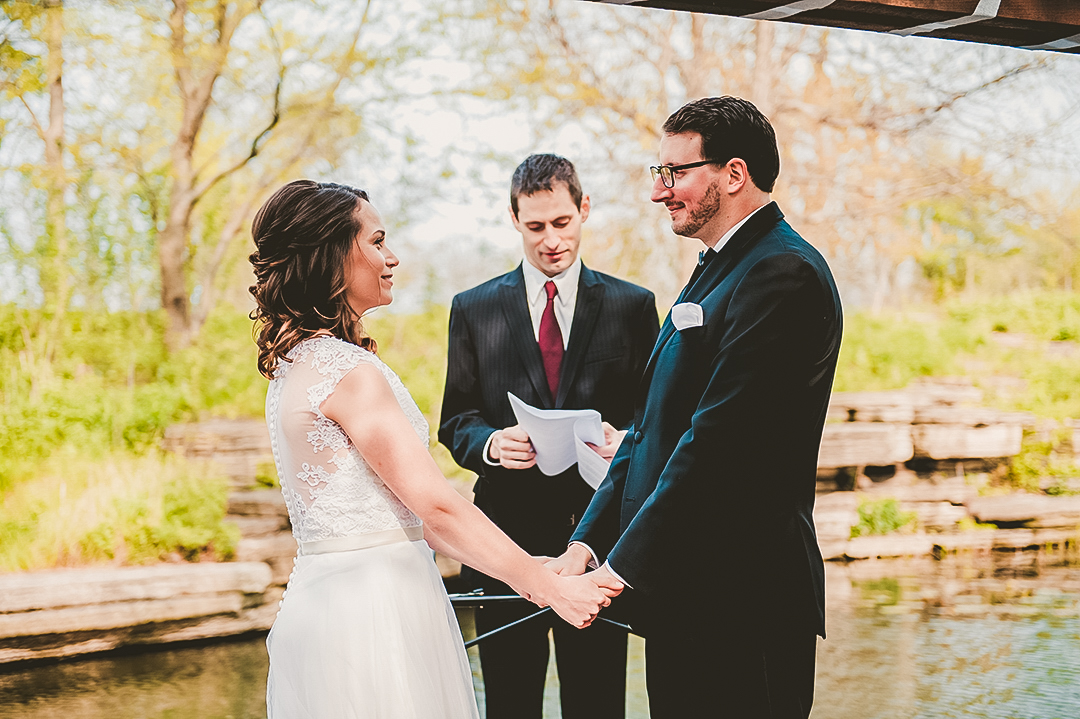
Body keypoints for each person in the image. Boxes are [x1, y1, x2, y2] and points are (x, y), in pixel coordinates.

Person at [248, 179, 622, 719]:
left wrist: (522, 564)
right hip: (375, 615)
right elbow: (436, 508)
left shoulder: (295, 365)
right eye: (376, 242)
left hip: (324, 603)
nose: (391, 257)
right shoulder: (349, 373)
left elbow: (403, 516)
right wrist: (544, 586)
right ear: (332, 258)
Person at [548, 96, 844, 717]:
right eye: (661, 174)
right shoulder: (715, 267)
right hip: (685, 596)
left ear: (734, 174)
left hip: (744, 598)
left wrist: (618, 569)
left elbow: (719, 444)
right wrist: (585, 544)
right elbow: (648, 430)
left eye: (675, 173)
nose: (661, 192)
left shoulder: (782, 274)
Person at [439, 154, 659, 719]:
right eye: (535, 226)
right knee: (510, 704)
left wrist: (626, 440)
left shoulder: (634, 307)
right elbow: (455, 418)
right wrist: (491, 444)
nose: (550, 240)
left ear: (584, 210)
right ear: (514, 220)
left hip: (600, 545)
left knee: (598, 703)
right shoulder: (473, 308)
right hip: (504, 544)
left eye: (561, 222)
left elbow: (655, 415)